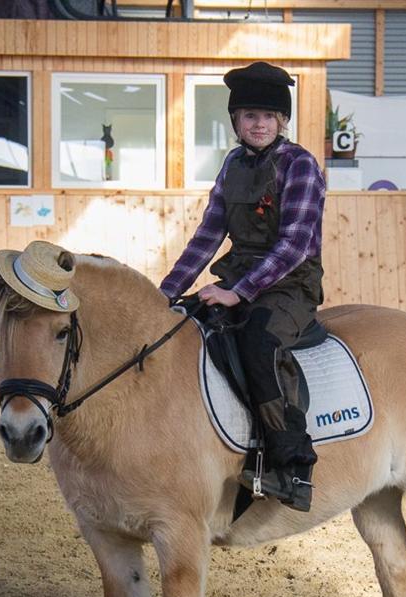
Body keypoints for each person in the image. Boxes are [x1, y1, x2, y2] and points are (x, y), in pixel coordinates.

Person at [159, 61, 325, 512]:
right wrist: (165, 294)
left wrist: (239, 292)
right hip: (239, 276)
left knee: (258, 343)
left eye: (268, 116)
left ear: (282, 121)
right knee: (183, 329)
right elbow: (208, 236)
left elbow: (294, 245)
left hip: (291, 285)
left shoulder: (301, 165)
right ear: (235, 120)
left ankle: (289, 462)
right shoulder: (232, 164)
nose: (258, 124)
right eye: (249, 115)